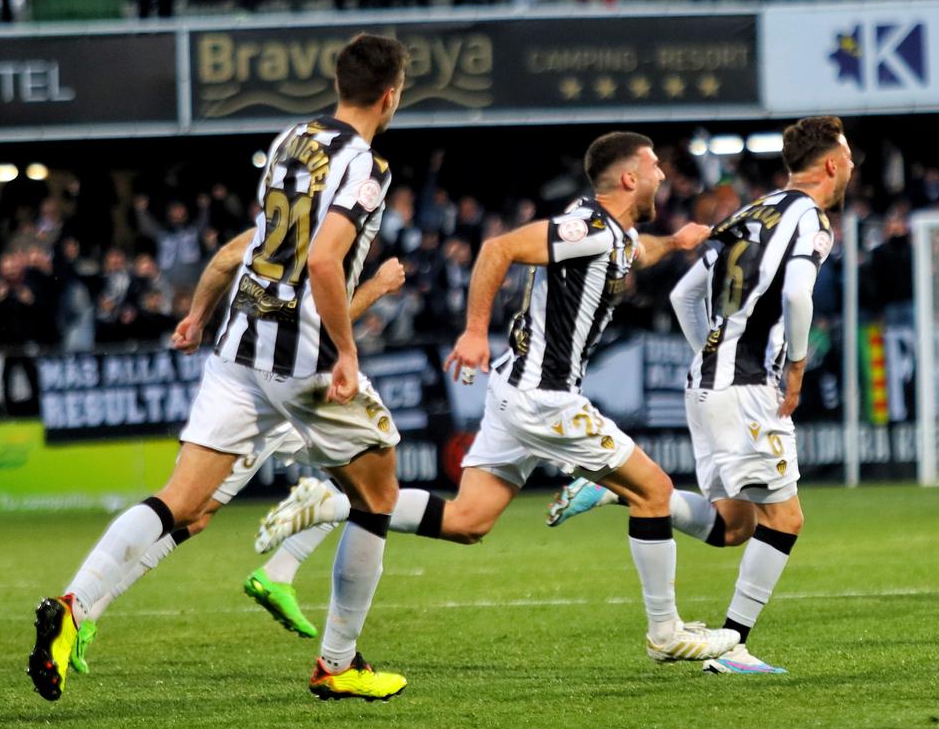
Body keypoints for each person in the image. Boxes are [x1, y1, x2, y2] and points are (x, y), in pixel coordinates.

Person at [252, 132, 741, 667]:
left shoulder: (612, 232)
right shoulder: (589, 228)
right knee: (655, 491)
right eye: (653, 167)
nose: (663, 176)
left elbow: (634, 253)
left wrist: (675, 242)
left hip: (516, 395)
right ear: (629, 179)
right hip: (544, 398)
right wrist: (474, 330)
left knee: (468, 522)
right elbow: (498, 248)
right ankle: (666, 633)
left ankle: (334, 503)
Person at [30, 35, 416, 703]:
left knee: (181, 501)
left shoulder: (292, 138)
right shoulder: (368, 165)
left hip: (241, 344)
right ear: (391, 95)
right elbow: (325, 261)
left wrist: (201, 312)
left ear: (337, 81)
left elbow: (248, 245)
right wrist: (348, 352)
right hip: (303, 353)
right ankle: (338, 662)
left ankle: (73, 607)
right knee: (377, 496)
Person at [552, 116, 855, 674]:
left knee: (734, 527)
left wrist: (711, 354)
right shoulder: (810, 219)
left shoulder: (750, 212)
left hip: (709, 385)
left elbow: (684, 295)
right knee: (784, 520)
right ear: (832, 164)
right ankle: (733, 645)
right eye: (849, 158)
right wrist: (796, 367)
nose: (853, 168)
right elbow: (797, 292)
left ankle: (616, 491)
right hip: (745, 390)